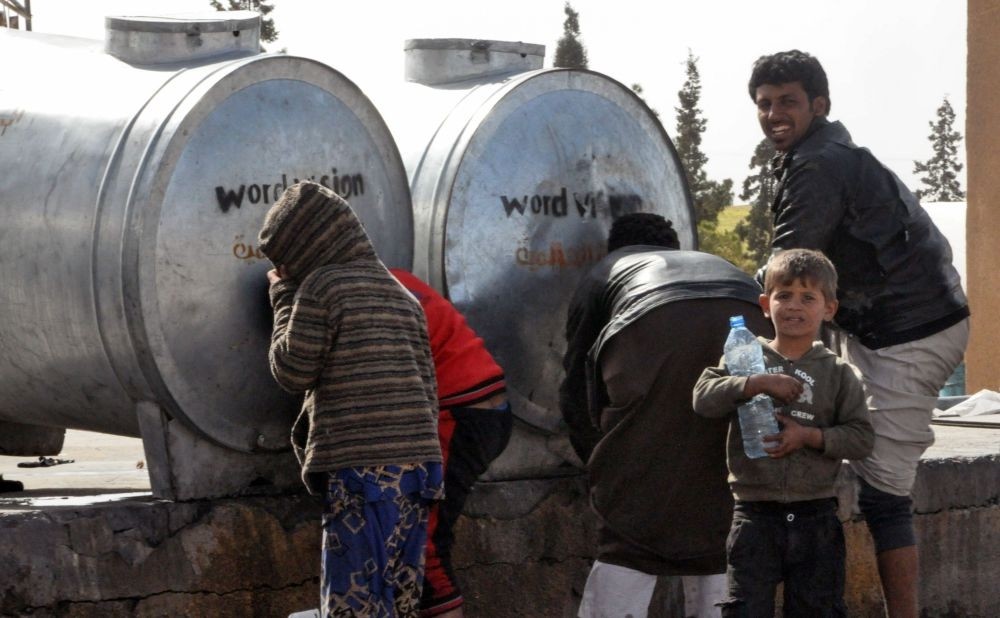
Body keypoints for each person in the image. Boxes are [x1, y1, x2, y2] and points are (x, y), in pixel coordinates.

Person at [748, 50, 970, 618]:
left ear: (819, 105)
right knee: (831, 452)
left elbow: (787, 267)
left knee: (885, 493)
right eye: (764, 104)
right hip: (887, 324)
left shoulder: (819, 163)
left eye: (787, 102)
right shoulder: (824, 153)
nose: (774, 114)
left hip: (908, 333)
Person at [559, 212, 772, 618]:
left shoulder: (608, 269)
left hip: (651, 328)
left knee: (630, 521)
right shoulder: (709, 262)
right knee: (720, 505)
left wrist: (599, 464)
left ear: (616, 246)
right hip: (748, 320)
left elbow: (576, 385)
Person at [259, 182, 443, 618]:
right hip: (419, 470)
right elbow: (429, 387)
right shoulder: (400, 293)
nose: (284, 268)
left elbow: (291, 369)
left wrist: (283, 296)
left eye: (284, 258)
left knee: (353, 604)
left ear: (306, 247)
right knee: (399, 602)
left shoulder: (323, 286)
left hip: (363, 472)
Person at [693, 248, 875, 617]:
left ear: (829, 309)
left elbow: (861, 439)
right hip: (754, 516)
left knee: (818, 609)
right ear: (765, 303)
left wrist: (809, 437)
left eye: (808, 297)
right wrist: (752, 383)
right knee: (745, 609)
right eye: (784, 295)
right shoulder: (744, 358)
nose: (794, 306)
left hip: (817, 517)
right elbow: (703, 399)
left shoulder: (838, 373)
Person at [389, 269, 513, 618]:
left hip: (458, 413)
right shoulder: (393, 275)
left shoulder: (345, 289)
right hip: (481, 406)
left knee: (422, 547)